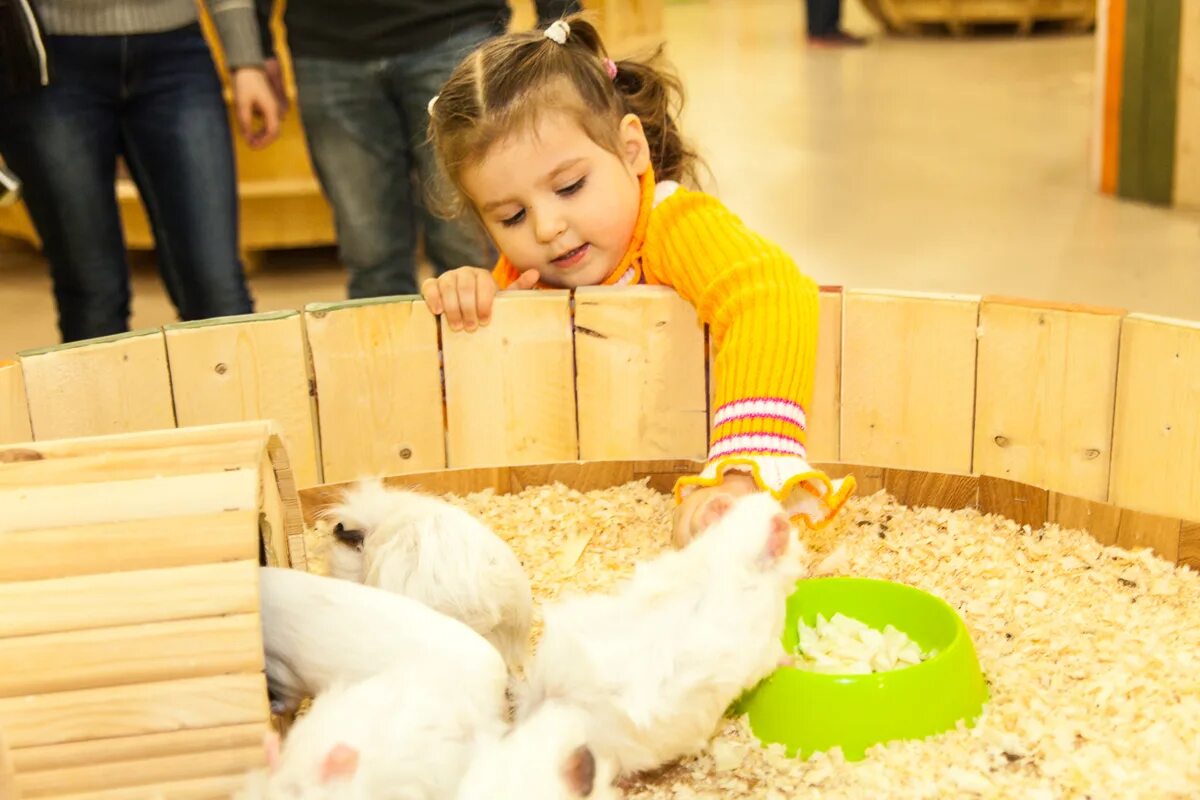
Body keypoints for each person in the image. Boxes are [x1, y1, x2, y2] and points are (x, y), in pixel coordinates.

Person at [420, 16, 856, 546]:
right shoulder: (520, 276)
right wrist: (472, 328)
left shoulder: (675, 225)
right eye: (511, 217)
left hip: (699, 477)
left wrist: (743, 472)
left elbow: (772, 294)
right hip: (581, 526)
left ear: (631, 150)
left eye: (571, 186)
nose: (547, 226)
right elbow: (471, 430)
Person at [254, 1, 579, 299]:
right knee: (370, 255)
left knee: (470, 249)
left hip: (455, 25)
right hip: (325, 45)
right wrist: (255, 49)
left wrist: (559, 18)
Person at [0, 0, 281, 343]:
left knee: (219, 290)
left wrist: (245, 59)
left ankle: (236, 396)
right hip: (47, 58)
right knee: (92, 293)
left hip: (177, 51)